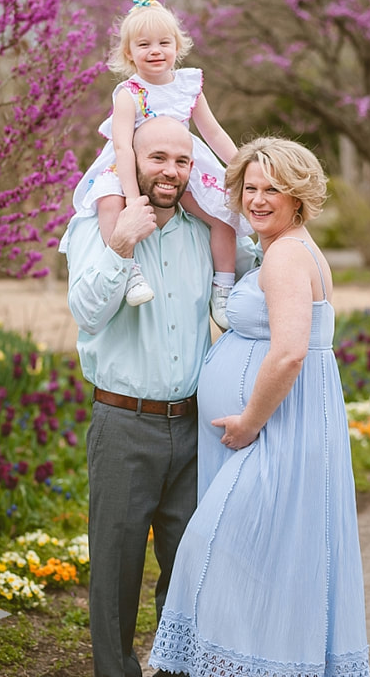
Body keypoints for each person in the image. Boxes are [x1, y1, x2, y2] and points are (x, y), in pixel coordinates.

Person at [148, 138, 369, 675]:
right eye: (250, 188)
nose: (258, 199)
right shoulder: (285, 246)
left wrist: (249, 420)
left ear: (298, 197)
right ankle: (262, 660)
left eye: (274, 189)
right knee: (268, 557)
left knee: (215, 545)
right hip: (283, 424)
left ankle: (252, 661)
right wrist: (190, 111)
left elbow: (291, 351)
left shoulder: (288, 256)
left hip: (275, 429)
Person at [63, 116, 258, 677]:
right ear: (129, 162)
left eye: (181, 159)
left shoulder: (206, 235)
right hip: (124, 423)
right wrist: (121, 247)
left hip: (197, 426)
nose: (171, 171)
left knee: (191, 565)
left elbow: (266, 275)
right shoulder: (93, 229)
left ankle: (178, 668)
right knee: (116, 571)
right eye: (158, 159)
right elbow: (87, 314)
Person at [68, 0, 250, 329]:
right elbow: (122, 147)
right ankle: (131, 272)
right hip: (133, 163)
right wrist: (132, 196)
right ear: (129, 53)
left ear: (177, 47)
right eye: (144, 44)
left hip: (180, 163)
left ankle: (222, 289)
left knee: (223, 214)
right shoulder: (129, 92)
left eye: (164, 43)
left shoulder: (188, 86)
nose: (155, 51)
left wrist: (244, 167)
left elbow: (213, 133)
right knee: (108, 202)